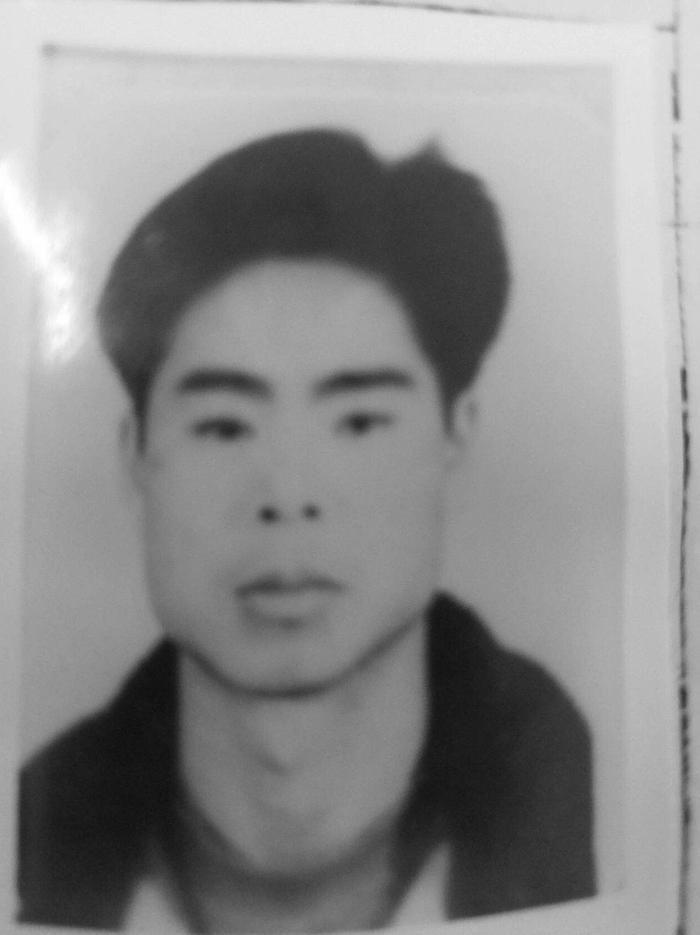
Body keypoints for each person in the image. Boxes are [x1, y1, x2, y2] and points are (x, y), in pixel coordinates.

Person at [18, 128, 595, 933]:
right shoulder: (28, 855)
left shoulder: (610, 823)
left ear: (455, 434)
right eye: (224, 425)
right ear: (135, 453)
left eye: (358, 421)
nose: (287, 495)